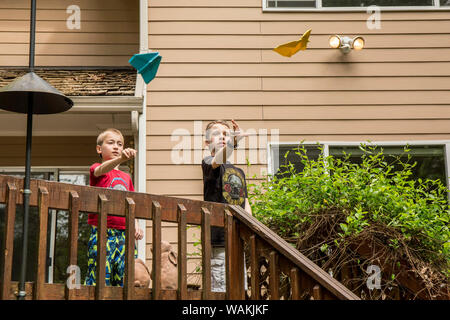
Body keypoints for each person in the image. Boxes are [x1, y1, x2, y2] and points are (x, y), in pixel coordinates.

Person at [85, 128, 144, 287]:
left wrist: (136, 224)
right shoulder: (97, 169)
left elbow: (132, 202)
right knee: (99, 275)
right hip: (102, 231)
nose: (116, 147)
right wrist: (120, 160)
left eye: (120, 144)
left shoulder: (126, 177)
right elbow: (100, 170)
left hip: (125, 234)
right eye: (111, 143)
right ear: (99, 149)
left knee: (125, 277)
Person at [202, 119, 252, 292]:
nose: (222, 137)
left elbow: (245, 203)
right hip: (219, 242)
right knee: (221, 292)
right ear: (207, 142)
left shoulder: (238, 172)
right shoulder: (209, 163)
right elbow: (219, 158)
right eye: (216, 134)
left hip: (238, 241)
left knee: (239, 291)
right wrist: (234, 142)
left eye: (226, 134)